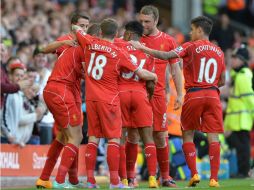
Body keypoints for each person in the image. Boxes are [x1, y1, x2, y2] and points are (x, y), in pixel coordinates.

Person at [130, 15, 226, 187]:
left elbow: (166, 55)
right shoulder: (219, 52)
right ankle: (214, 179)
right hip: (213, 95)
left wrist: (143, 49)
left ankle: (194, 174)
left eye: (191, 29)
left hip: (194, 93)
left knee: (187, 134)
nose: (190, 33)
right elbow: (223, 81)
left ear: (199, 30)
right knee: (214, 137)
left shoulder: (190, 46)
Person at [72, 18, 157, 189]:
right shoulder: (119, 53)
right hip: (109, 99)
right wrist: (154, 76)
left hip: (90, 99)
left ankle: (90, 181)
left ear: (101, 33)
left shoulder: (89, 42)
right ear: (116, 34)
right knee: (114, 139)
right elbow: (140, 72)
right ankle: (114, 182)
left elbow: (76, 29)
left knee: (93, 138)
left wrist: (79, 29)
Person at [35, 24, 100, 189]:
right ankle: (60, 181)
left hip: (55, 91)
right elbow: (90, 74)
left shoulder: (71, 48)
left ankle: (45, 178)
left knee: (64, 136)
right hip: (61, 91)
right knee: (76, 137)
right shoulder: (85, 48)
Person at [127, 5, 183, 187]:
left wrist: (180, 94)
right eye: (141, 21)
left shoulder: (168, 41)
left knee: (160, 135)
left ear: (156, 21)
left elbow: (175, 70)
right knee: (133, 134)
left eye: (147, 22)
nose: (143, 24)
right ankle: (131, 176)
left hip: (158, 94)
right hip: (137, 92)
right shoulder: (133, 38)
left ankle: (165, 176)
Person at [114, 21, 158, 188]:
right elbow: (151, 82)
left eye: (125, 32)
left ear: (130, 34)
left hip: (122, 93)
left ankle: (125, 179)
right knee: (147, 139)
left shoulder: (119, 46)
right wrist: (150, 96)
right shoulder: (147, 52)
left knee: (121, 138)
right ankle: (153, 178)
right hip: (140, 94)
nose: (123, 35)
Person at [224, 45, 254, 178]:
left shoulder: (243, 76)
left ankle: (244, 171)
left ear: (242, 60)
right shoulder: (237, 75)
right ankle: (244, 170)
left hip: (242, 118)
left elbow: (249, 99)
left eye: (236, 58)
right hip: (235, 119)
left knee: (243, 146)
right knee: (239, 145)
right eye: (233, 57)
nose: (233, 60)